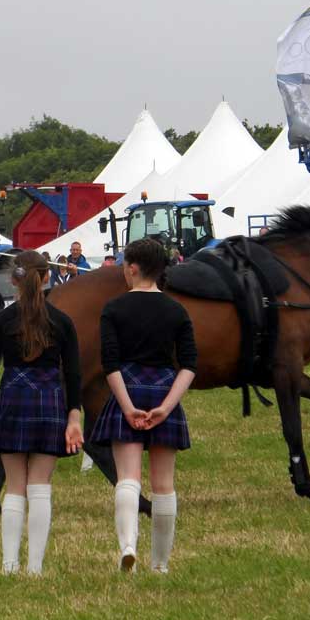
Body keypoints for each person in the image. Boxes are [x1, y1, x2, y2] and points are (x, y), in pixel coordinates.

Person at [0, 250, 82, 575]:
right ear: (46, 277)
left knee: (15, 486)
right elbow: (73, 374)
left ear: (14, 280)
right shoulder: (62, 321)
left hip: (11, 402)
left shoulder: (2, 321)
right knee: (40, 486)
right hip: (50, 404)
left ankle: (9, 565)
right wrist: (74, 416)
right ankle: (34, 568)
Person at [87, 238, 197, 574]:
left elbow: (110, 364)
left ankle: (128, 547)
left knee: (128, 479)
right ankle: (160, 565)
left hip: (128, 389)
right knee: (163, 485)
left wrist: (127, 405)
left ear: (133, 268)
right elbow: (189, 365)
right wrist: (166, 406)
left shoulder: (114, 308)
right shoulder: (177, 310)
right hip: (164, 388)